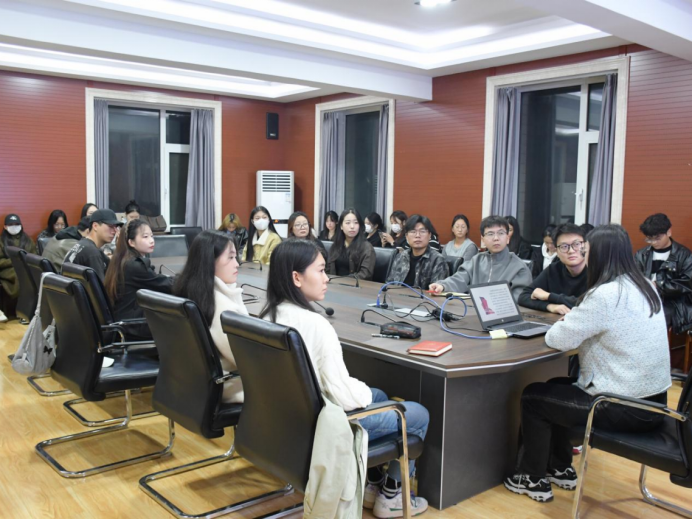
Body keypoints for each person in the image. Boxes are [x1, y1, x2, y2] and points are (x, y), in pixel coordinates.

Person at [260, 239, 430, 518]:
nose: (327, 278)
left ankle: (372, 483)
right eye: (320, 270)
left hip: (288, 420)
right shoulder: (317, 325)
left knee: (378, 395)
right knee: (418, 414)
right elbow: (344, 397)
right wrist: (362, 391)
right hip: (324, 424)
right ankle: (392, 496)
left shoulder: (268, 314)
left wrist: (366, 393)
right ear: (296, 278)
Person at [505, 225, 672, 503]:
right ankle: (560, 468)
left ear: (600, 255)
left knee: (534, 397)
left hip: (621, 405)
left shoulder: (605, 295)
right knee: (556, 387)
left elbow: (558, 339)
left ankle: (530, 477)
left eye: (586, 250)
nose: (583, 255)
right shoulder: (645, 286)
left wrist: (569, 320)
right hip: (653, 402)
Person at [174, 231, 248, 404]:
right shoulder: (224, 308)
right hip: (229, 385)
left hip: (194, 382)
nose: (237, 264)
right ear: (209, 261)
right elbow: (245, 361)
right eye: (230, 258)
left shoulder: (191, 289)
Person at [429, 216, 532, 301]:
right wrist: (442, 286)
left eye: (501, 233)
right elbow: (460, 279)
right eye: (490, 234)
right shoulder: (476, 260)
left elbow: (519, 300)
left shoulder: (519, 267)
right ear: (483, 240)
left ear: (507, 238)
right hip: (473, 313)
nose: (496, 238)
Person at [104, 220, 174, 338]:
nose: (151, 240)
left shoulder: (123, 259)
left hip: (123, 321)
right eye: (145, 237)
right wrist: (186, 279)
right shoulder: (134, 266)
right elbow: (165, 285)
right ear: (131, 242)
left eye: (151, 236)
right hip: (132, 326)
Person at [636, 213, 692, 335]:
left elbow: (686, 284)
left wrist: (657, 285)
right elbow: (634, 277)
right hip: (645, 299)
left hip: (674, 303)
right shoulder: (641, 255)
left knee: (656, 317)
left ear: (669, 232)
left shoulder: (684, 255)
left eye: (657, 238)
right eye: (649, 238)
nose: (653, 242)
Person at [519, 224, 588, 315]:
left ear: (586, 246)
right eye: (564, 246)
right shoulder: (553, 270)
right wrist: (549, 306)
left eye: (576, 244)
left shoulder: (597, 271)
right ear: (557, 252)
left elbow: (590, 304)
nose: (571, 251)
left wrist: (549, 296)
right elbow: (523, 296)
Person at [386, 215, 449, 290]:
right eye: (413, 231)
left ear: (429, 235)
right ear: (406, 236)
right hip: (396, 296)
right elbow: (389, 284)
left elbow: (436, 291)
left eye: (422, 231)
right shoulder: (400, 257)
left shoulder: (438, 260)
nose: (417, 235)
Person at [65, 209, 122, 282]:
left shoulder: (84, 244)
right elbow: (101, 287)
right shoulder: (92, 253)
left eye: (116, 227)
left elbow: (113, 266)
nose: (115, 231)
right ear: (95, 226)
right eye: (111, 226)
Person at [0, 214, 37, 322]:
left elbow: (35, 256)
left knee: (32, 276)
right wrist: (14, 261)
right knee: (20, 276)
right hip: (8, 270)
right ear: (5, 226)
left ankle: (30, 311)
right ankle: (21, 311)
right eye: (11, 224)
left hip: (26, 268)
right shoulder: (1, 241)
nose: (14, 227)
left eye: (16, 224)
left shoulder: (28, 240)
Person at [327, 209, 376, 281]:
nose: (352, 226)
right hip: (335, 285)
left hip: (355, 286)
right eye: (348, 223)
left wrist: (342, 280)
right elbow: (328, 269)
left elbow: (365, 275)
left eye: (356, 223)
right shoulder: (335, 245)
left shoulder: (367, 248)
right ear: (341, 226)